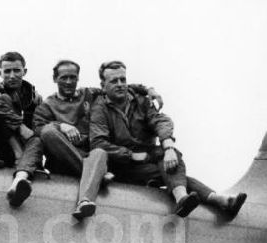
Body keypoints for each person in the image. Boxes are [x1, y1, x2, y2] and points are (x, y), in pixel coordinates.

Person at [90, 61, 246, 218]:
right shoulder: (99, 108)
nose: (120, 84)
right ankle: (218, 200)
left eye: (123, 80)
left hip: (146, 160)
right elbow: (98, 143)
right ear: (103, 85)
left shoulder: (140, 101)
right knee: (175, 174)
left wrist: (169, 148)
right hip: (122, 166)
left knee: (171, 159)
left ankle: (184, 199)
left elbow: (160, 121)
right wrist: (129, 155)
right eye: (114, 81)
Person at [34, 59, 160, 220]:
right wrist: (61, 126)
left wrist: (148, 89)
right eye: (64, 77)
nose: (68, 82)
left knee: (99, 151)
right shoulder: (46, 106)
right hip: (64, 160)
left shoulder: (89, 94)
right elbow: (38, 128)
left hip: (90, 158)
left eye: (73, 77)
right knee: (48, 131)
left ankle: (85, 200)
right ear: (55, 79)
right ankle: (99, 175)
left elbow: (116, 86)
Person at [0, 51, 45, 208]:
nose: (12, 75)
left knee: (38, 138)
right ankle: (20, 158)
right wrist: (19, 126)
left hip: (25, 148)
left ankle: (18, 182)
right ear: (0, 73)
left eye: (16, 71)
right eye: (7, 71)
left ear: (24, 71)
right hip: (0, 150)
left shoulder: (34, 97)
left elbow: (39, 124)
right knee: (1, 101)